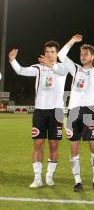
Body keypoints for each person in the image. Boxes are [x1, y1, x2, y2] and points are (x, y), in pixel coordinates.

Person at [8, 41, 67, 188]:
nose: (49, 54)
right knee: (38, 144)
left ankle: (49, 176)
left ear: (57, 54)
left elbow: (61, 72)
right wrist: (12, 60)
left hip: (57, 111)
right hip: (40, 111)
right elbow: (21, 70)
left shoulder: (62, 67)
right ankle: (37, 178)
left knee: (54, 145)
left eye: (52, 52)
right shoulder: (38, 68)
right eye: (47, 51)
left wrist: (51, 65)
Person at [51, 34, 94, 192]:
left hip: (89, 111)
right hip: (73, 112)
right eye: (81, 54)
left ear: (93, 56)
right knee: (74, 148)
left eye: (86, 54)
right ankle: (78, 181)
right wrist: (73, 41)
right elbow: (61, 55)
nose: (83, 56)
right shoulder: (75, 68)